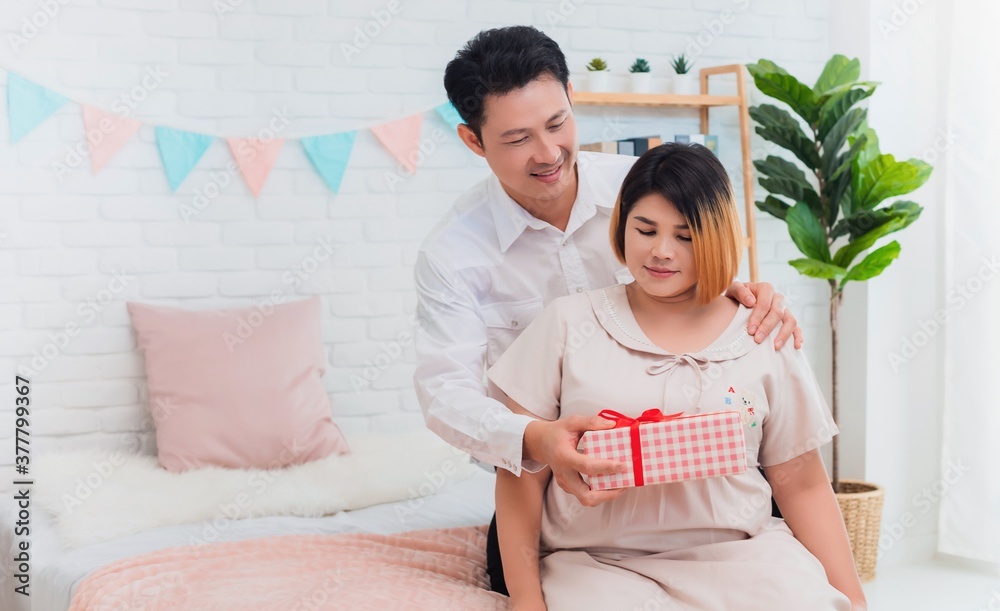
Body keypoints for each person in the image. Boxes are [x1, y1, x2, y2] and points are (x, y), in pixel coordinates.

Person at [413, 25, 801, 594]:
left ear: (572, 95)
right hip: (545, 491)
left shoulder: (640, 194)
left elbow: (700, 275)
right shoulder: (453, 254)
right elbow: (445, 394)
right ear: (473, 141)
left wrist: (746, 297)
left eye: (557, 123)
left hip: (696, 478)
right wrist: (536, 438)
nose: (548, 154)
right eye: (518, 138)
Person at [487, 142, 866, 610]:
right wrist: (525, 598)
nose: (661, 252)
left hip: (743, 558)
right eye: (645, 230)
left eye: (685, 236)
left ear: (717, 237)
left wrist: (854, 598)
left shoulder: (762, 329)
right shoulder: (567, 323)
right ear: (622, 225)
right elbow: (520, 472)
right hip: (596, 564)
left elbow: (803, 483)